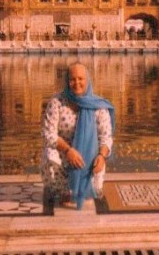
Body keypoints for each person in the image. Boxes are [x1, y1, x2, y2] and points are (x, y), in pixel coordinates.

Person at [41, 62, 115, 210]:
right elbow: (48, 134)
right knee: (50, 153)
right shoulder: (57, 102)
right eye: (72, 79)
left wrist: (102, 156)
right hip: (64, 154)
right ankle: (64, 190)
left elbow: (106, 136)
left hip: (89, 157)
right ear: (67, 82)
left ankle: (85, 187)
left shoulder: (98, 105)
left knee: (98, 159)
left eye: (81, 79)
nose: (77, 83)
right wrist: (68, 151)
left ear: (87, 80)